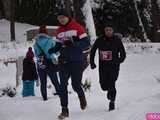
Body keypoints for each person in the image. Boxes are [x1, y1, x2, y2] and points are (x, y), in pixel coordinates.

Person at [54, 10, 90, 119]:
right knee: (62, 86)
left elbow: (86, 43)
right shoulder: (59, 30)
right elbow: (58, 45)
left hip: (76, 61)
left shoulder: (77, 27)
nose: (61, 20)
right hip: (64, 62)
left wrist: (73, 43)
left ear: (68, 17)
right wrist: (52, 50)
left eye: (63, 17)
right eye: (59, 18)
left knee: (75, 85)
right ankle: (64, 110)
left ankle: (81, 96)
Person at [90, 23, 126, 111]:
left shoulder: (117, 40)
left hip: (114, 66)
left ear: (113, 31)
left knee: (112, 83)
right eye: (107, 30)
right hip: (103, 67)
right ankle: (109, 91)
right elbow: (93, 50)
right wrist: (92, 62)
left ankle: (112, 101)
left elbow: (123, 54)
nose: (108, 31)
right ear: (104, 31)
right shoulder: (100, 40)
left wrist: (118, 61)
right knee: (103, 86)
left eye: (110, 30)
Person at [33, 25, 61, 101]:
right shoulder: (50, 41)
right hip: (49, 63)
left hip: (40, 64)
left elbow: (35, 54)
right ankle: (60, 95)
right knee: (55, 80)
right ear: (46, 32)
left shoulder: (36, 43)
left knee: (43, 82)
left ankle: (44, 98)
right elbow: (56, 52)